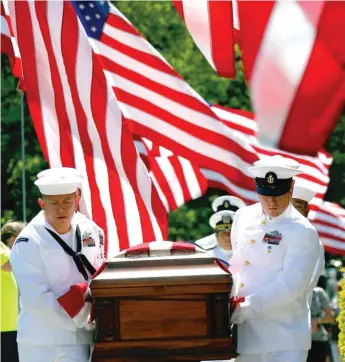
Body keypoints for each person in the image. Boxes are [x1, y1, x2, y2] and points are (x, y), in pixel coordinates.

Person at [230, 155, 321, 362]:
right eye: (265, 193)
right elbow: (236, 266)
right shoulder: (242, 217)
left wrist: (243, 310)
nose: (271, 201)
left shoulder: (303, 231)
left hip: (284, 339)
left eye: (278, 194)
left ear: (291, 188)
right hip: (244, 337)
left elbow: (291, 285)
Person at [10, 168, 105, 362]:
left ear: (77, 200)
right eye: (54, 203)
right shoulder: (28, 241)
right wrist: (80, 319)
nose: (61, 208)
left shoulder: (92, 230)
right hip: (43, 341)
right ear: (42, 203)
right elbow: (36, 299)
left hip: (82, 339)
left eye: (67, 201)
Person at [291, 185, 325, 294]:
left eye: (297, 207)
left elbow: (307, 284)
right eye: (288, 207)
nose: (292, 212)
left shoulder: (313, 243)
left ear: (307, 211)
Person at [1, 221, 25, 362]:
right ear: (11, 239)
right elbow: (9, 264)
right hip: (5, 324)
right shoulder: (3, 250)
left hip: (10, 324)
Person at [196, 196, 246, 264]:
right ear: (216, 234)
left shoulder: (250, 247)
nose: (227, 237)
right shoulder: (201, 248)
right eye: (223, 233)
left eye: (231, 233)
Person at [307, 277, 335, 362]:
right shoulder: (292, 293)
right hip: (296, 341)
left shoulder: (318, 292)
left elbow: (331, 317)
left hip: (317, 341)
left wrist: (317, 321)